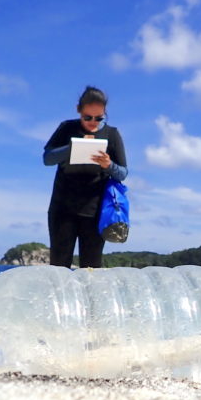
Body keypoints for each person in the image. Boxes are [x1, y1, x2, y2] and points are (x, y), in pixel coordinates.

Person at [43, 86, 128, 268]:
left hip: (95, 212)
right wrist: (72, 148)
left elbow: (123, 173)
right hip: (62, 209)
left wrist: (108, 165)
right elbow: (47, 158)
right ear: (78, 110)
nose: (92, 122)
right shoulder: (67, 128)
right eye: (87, 117)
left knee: (91, 269)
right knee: (58, 268)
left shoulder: (112, 134)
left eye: (99, 118)